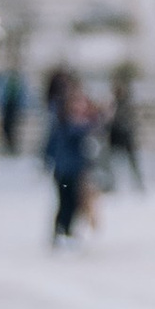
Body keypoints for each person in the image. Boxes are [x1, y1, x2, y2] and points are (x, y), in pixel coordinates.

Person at [43, 76, 100, 244]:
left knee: (73, 201)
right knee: (65, 201)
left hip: (75, 169)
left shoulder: (73, 121)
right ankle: (61, 231)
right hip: (64, 169)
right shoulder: (66, 122)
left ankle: (65, 231)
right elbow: (67, 137)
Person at [105, 63, 145, 194]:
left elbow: (131, 119)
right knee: (111, 161)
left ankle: (138, 184)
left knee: (132, 162)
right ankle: (113, 184)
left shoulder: (127, 103)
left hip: (125, 135)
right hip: (116, 135)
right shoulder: (113, 103)